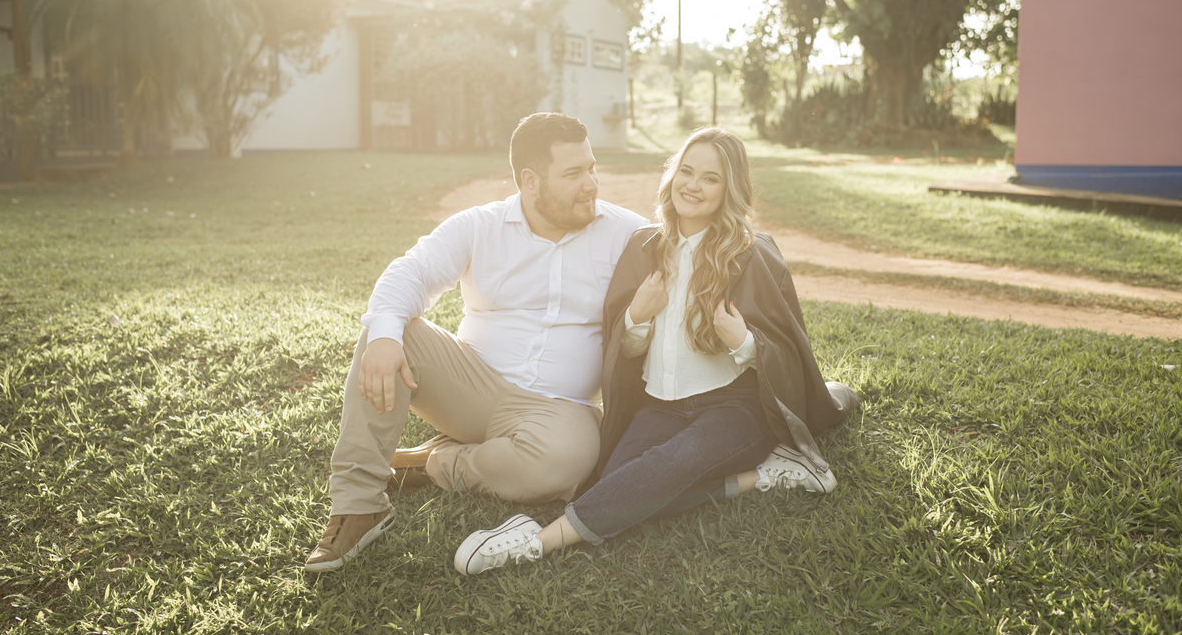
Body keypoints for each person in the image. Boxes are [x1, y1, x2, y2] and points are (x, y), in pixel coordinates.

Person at [454, 127, 859, 576]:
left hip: (735, 407)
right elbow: (625, 350)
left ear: (729, 189)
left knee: (667, 467)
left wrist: (742, 341)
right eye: (687, 171)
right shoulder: (645, 247)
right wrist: (636, 316)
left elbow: (785, 351)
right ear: (672, 175)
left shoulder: (750, 253)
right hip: (662, 404)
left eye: (710, 178)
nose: (693, 185)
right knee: (621, 483)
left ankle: (535, 540)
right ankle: (762, 477)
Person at [305, 113, 647, 572]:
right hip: (472, 387)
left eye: (591, 168)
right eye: (573, 174)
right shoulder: (480, 226)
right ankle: (358, 505)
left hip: (559, 409)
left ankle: (433, 464)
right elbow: (411, 272)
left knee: (566, 462)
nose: (591, 184)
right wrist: (384, 337)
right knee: (388, 329)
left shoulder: (629, 233)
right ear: (530, 181)